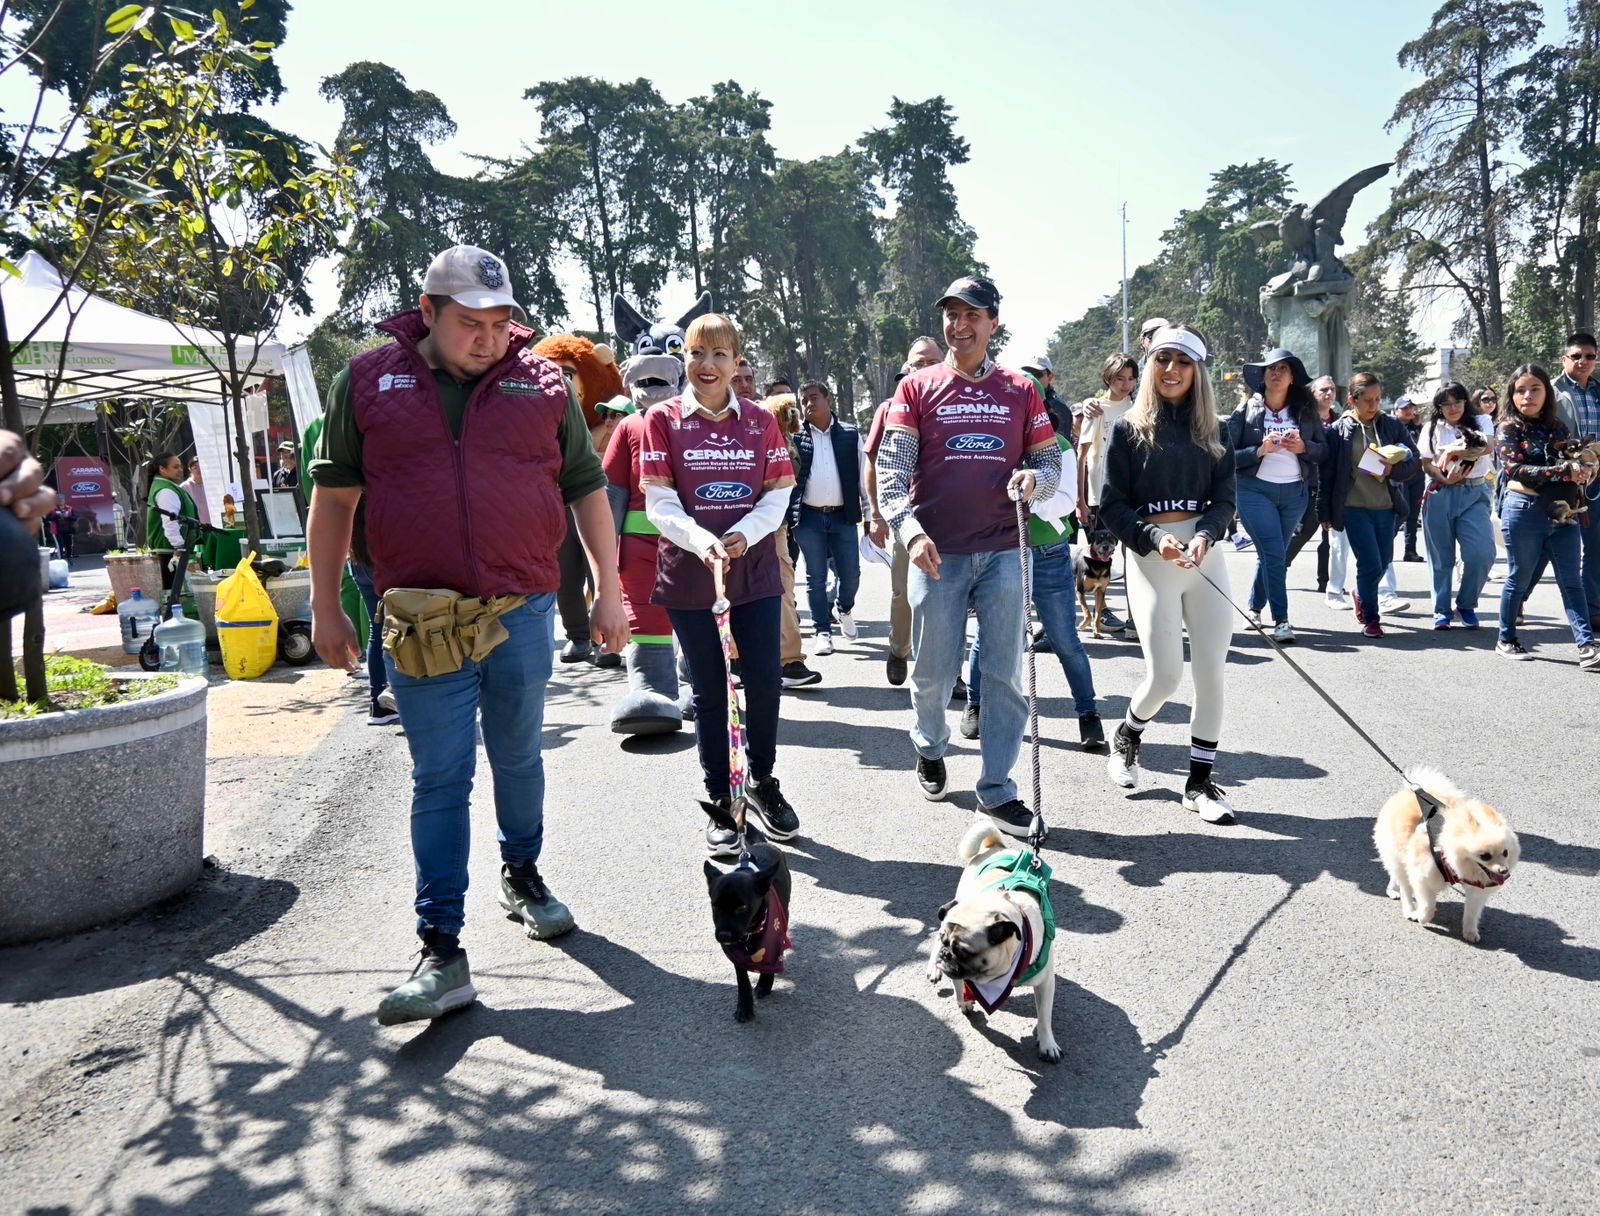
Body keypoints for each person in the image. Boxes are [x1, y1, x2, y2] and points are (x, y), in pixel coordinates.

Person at [308, 244, 628, 1025]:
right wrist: (326, 604)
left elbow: (585, 488)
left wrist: (610, 590)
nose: (487, 338)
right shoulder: (366, 382)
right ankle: (441, 949)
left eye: (499, 322)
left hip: (520, 613)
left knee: (518, 757)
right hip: (421, 621)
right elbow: (335, 496)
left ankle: (522, 873)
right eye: (468, 323)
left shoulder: (543, 382)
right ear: (427, 313)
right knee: (440, 777)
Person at [876, 275, 1061, 836]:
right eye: (951, 315)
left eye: (971, 315)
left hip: (1006, 548)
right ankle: (929, 744)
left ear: (993, 323)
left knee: (1002, 674)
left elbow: (1051, 468)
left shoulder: (1021, 390)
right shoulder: (917, 388)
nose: (959, 326)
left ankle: (997, 788)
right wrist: (909, 532)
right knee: (933, 672)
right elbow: (891, 474)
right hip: (937, 553)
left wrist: (1035, 479)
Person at [641, 312, 803, 853]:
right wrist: (701, 541)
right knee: (711, 692)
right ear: (682, 359)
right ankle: (720, 800)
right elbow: (659, 502)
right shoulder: (660, 420)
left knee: (763, 683)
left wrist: (742, 533)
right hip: (691, 578)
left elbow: (777, 494)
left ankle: (761, 779)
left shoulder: (761, 421)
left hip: (753, 573)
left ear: (737, 362)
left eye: (719, 355)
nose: (707, 366)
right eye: (696, 354)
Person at [1100, 325, 1239, 824]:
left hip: (1204, 560)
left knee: (1210, 674)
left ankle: (1199, 782)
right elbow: (1111, 506)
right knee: (1165, 675)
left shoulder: (1216, 430)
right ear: (1150, 366)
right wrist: (1156, 539)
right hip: (1151, 561)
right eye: (1163, 360)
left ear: (1197, 370)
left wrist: (1207, 534)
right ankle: (1129, 734)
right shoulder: (1127, 430)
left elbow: (1226, 500)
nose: (1172, 370)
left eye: (1182, 362)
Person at [964, 374, 1104, 750]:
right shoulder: (989, 443)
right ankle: (975, 706)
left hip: (1048, 556)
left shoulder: (1059, 446)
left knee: (1063, 638)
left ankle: (1088, 713)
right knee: (985, 637)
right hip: (1000, 553)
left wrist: (1028, 495)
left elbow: (1064, 503)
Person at [1494, 362, 1598, 668]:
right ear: (1512, 395)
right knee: (1519, 577)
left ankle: (1586, 645)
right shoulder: (1506, 428)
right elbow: (1515, 469)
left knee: (1572, 581)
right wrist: (1564, 470)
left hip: (1564, 513)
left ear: (1546, 393)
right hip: (1523, 511)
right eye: (1521, 390)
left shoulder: (1557, 427)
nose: (1528, 396)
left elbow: (1573, 460)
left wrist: (1584, 470)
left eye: (1535, 389)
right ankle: (1506, 638)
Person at [1228, 348, 1327, 643]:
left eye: (1283, 368)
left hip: (1295, 493)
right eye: (1270, 368)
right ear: (1262, 376)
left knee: (1274, 554)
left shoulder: (1305, 413)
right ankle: (1281, 620)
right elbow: (1224, 457)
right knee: (1273, 553)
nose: (1275, 373)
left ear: (1292, 377)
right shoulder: (1245, 411)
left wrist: (1303, 448)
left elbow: (1324, 451)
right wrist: (1259, 450)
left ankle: (1254, 608)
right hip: (1254, 491)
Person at [865, 335, 943, 686]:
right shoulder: (889, 408)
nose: (924, 368)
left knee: (946, 596)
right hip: (904, 517)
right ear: (906, 369)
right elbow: (873, 464)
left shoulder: (957, 402)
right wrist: (876, 514)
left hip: (951, 518)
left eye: (932, 362)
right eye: (917, 362)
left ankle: (946, 669)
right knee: (904, 593)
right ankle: (899, 648)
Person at [1319, 373, 1422, 639]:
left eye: (1377, 399)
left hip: (1387, 507)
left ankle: (1361, 594)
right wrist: (1325, 512)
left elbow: (1414, 461)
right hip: (1353, 507)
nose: (1374, 405)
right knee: (1370, 564)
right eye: (1367, 400)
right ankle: (1372, 619)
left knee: (1383, 561)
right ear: (1353, 400)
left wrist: (1392, 468)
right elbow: (1327, 475)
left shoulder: (1392, 425)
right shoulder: (1339, 431)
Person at [792, 380, 869, 656]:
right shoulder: (795, 436)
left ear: (829, 399)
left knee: (851, 574)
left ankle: (843, 607)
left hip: (843, 517)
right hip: (809, 518)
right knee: (815, 577)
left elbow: (862, 478)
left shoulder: (849, 434)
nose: (808, 404)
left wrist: (871, 516)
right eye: (803, 400)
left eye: (813, 397)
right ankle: (822, 631)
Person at [1418, 381, 1495, 630]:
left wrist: (1456, 449)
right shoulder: (1431, 428)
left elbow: (1489, 447)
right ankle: (1441, 610)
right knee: (1441, 558)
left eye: (1457, 402)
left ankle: (1466, 603)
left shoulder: (1481, 422)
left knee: (1481, 554)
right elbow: (1426, 462)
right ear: (1439, 407)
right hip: (1440, 493)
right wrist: (1443, 476)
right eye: (1446, 404)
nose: (1453, 408)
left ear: (1466, 402)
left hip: (1475, 492)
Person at [1076, 352, 1141, 635]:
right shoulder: (1096, 409)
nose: (1126, 384)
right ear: (1108, 378)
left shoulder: (1140, 407)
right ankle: (1102, 615)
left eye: (1130, 378)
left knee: (1137, 558)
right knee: (1102, 559)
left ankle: (1136, 617)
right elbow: (1082, 456)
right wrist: (1080, 500)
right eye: (1119, 378)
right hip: (1099, 497)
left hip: (1135, 494)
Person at [1553, 330, 1600, 630]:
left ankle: (1593, 609)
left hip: (1596, 479)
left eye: (1590, 356)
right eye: (1577, 356)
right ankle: (1518, 598)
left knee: (1596, 545)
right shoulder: (1550, 391)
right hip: (1564, 478)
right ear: (1564, 359)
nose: (1583, 361)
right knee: (1549, 546)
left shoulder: (1598, 391)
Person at [144, 451, 198, 590]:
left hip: (172, 549)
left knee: (177, 594)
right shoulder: (166, 491)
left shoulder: (166, 486)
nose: (180, 470)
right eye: (175, 467)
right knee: (176, 594)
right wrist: (179, 546)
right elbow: (170, 521)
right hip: (171, 551)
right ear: (162, 469)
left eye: (180, 466)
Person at [1391, 397, 1426, 561]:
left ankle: (1410, 550)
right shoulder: (1392, 427)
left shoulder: (1419, 428)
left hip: (1418, 475)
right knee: (1401, 513)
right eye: (1405, 408)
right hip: (1401, 476)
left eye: (1411, 407)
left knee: (1413, 514)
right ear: (1396, 410)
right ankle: (1385, 544)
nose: (1409, 410)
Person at [179, 458, 212, 527]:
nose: (199, 469)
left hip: (213, 524)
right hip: (195, 526)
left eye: (202, 466)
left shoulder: (212, 484)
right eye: (196, 467)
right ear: (190, 469)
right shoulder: (185, 487)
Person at [46, 499, 77, 564]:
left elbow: (75, 518)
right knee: (60, 545)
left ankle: (69, 559)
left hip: (68, 530)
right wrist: (57, 516)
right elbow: (48, 518)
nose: (61, 502)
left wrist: (68, 516)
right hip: (57, 530)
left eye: (62, 500)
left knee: (69, 545)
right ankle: (61, 560)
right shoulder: (52, 509)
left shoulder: (69, 508)